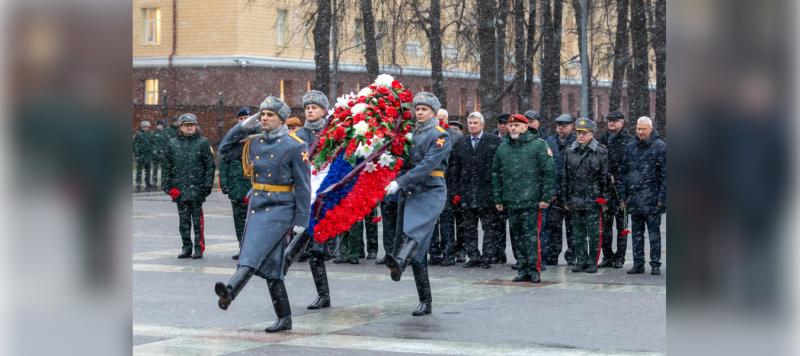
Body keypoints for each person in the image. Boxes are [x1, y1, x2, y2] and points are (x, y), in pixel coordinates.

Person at [214, 96, 310, 333]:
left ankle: (231, 290)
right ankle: (285, 318)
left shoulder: (294, 145)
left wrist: (301, 219)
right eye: (262, 114)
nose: (264, 118)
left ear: (282, 120)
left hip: (280, 208)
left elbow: (303, 185)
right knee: (272, 268)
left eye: (270, 115)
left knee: (252, 251)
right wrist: (244, 126)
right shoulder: (255, 142)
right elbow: (225, 149)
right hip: (258, 205)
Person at [384, 92, 452, 316]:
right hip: (413, 191)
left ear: (433, 112)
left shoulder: (441, 135)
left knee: (415, 230)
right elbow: (405, 161)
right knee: (419, 249)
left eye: (425, 109)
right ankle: (425, 300)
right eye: (418, 109)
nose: (420, 112)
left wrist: (400, 182)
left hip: (431, 190)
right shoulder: (411, 133)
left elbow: (426, 165)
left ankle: (400, 262)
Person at [285, 89, 335, 310]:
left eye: (314, 107)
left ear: (324, 110)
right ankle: (321, 296)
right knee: (309, 249)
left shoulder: (334, 133)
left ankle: (323, 295)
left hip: (327, 194)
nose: (310, 111)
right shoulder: (298, 136)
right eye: (307, 108)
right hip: (306, 194)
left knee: (316, 251)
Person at [492, 114, 555, 283]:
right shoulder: (503, 147)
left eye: (516, 125)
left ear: (526, 127)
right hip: (512, 201)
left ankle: (534, 269)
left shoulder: (538, 145)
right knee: (517, 236)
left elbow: (549, 172)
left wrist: (545, 197)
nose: (512, 128)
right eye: (511, 125)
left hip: (532, 201)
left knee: (532, 237)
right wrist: (498, 198)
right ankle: (522, 268)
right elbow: (496, 173)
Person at [450, 112, 502, 269]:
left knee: (489, 228)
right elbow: (455, 169)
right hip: (467, 193)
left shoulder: (494, 141)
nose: (472, 126)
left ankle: (487, 256)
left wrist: (497, 191)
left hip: (487, 192)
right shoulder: (461, 143)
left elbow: (499, 168)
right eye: (470, 123)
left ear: (482, 125)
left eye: (475, 123)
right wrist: (455, 191)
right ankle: (473, 256)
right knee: (469, 228)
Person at [560, 118, 610, 273]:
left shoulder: (601, 151)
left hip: (593, 197)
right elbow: (565, 177)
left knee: (594, 233)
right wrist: (565, 198)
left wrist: (604, 198)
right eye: (578, 133)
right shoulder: (569, 151)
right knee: (578, 232)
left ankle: (592, 261)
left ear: (592, 134)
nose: (580, 136)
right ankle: (581, 260)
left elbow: (604, 177)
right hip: (575, 196)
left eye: (584, 133)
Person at [162, 113, 216, 259]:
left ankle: (199, 248)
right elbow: (167, 167)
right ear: (180, 127)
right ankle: (186, 247)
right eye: (186, 125)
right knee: (184, 222)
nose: (190, 127)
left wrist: (207, 186)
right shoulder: (172, 143)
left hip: (197, 189)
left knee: (198, 222)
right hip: (179, 190)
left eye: (192, 124)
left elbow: (209, 167)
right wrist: (168, 187)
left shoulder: (203, 143)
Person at [619, 116, 666, 275]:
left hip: (653, 199)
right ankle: (638, 264)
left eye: (643, 129)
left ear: (651, 129)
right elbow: (624, 174)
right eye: (638, 129)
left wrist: (662, 198)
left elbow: (665, 176)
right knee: (636, 234)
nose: (640, 132)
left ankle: (655, 264)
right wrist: (623, 196)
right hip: (635, 198)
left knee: (654, 235)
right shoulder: (630, 147)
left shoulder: (661, 147)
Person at [521, 110, 560, 271]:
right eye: (527, 121)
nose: (529, 124)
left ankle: (539, 259)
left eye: (532, 121)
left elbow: (554, 168)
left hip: (539, 191)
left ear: (538, 122)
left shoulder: (547, 141)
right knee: (524, 228)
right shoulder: (518, 140)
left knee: (539, 228)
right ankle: (525, 260)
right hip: (524, 192)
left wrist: (550, 192)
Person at [596, 111, 634, 268]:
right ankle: (607, 256)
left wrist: (618, 178)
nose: (611, 123)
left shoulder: (629, 141)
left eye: (615, 121)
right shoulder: (602, 140)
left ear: (622, 123)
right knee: (605, 227)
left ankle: (620, 257)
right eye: (609, 121)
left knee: (622, 226)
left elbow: (632, 168)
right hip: (605, 190)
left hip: (622, 191)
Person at [219, 107, 255, 260]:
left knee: (253, 221)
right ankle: (242, 247)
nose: (243, 121)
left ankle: (252, 249)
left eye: (246, 118)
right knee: (239, 221)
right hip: (236, 186)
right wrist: (225, 183)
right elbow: (224, 163)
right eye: (240, 119)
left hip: (252, 187)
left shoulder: (257, 137)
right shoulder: (231, 140)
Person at [429, 109, 462, 266]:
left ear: (447, 119)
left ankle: (449, 253)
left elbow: (456, 163)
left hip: (447, 183)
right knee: (432, 222)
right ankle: (434, 252)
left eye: (443, 119)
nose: (441, 121)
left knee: (447, 221)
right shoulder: (430, 134)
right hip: (431, 183)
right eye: (438, 118)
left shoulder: (455, 136)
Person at [547, 113, 577, 265]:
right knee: (554, 228)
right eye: (558, 125)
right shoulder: (550, 141)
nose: (560, 128)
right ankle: (553, 255)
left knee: (572, 227)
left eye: (564, 125)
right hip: (555, 193)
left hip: (570, 192)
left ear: (572, 127)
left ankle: (572, 256)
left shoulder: (576, 142)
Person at [133, 120, 155, 192]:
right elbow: (135, 145)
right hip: (141, 155)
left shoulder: (150, 134)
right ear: (142, 127)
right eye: (144, 127)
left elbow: (152, 144)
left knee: (148, 170)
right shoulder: (139, 134)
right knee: (139, 169)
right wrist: (137, 154)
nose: (146, 128)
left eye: (147, 127)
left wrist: (152, 152)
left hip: (148, 155)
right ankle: (138, 182)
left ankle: (147, 182)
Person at [151, 122, 170, 189]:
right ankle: (154, 182)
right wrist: (153, 150)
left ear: (162, 126)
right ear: (156, 126)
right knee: (155, 169)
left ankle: (163, 182)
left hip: (163, 154)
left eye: (160, 125)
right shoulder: (153, 133)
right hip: (155, 154)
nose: (159, 126)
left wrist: (165, 151)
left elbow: (168, 143)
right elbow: (151, 143)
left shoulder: (166, 133)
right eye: (158, 125)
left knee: (163, 169)